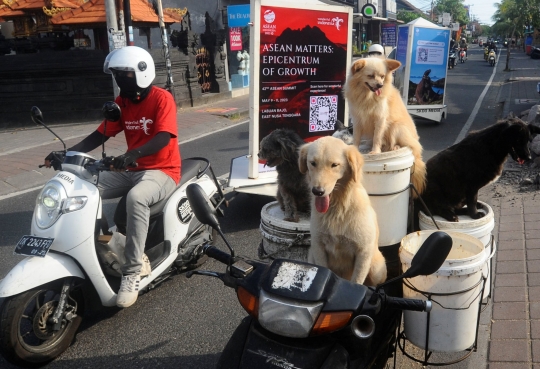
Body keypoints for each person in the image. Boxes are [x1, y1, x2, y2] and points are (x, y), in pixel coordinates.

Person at [44, 46, 181, 308]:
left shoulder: (162, 99)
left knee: (137, 199)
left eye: (125, 73)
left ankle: (132, 272)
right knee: (82, 185)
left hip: (162, 170)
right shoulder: (122, 103)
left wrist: (133, 154)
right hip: (129, 170)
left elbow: (163, 137)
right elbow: (100, 135)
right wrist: (66, 153)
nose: (120, 79)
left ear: (142, 72)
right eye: (117, 74)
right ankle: (104, 241)